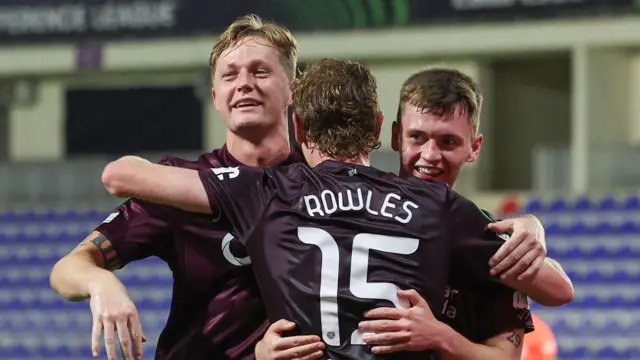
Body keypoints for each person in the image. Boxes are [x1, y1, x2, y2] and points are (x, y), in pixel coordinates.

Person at [100, 58, 550, 360]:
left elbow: (121, 176)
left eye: (446, 141)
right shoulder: (439, 204)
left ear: (297, 126)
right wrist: (532, 228)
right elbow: (559, 289)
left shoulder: (267, 190)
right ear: (381, 128)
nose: (429, 154)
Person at [255, 68, 573, 360]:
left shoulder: (478, 235)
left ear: (474, 148)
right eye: (417, 138)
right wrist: (260, 349)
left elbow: (555, 297)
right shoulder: (339, 210)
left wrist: (440, 336)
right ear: (395, 137)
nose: (430, 155)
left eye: (448, 141)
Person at [49, 14, 308, 360]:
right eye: (230, 75)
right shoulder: (181, 185)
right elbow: (67, 268)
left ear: (293, 88)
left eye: (260, 71)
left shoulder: (321, 180)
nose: (244, 83)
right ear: (216, 97)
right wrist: (101, 284)